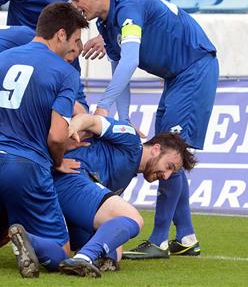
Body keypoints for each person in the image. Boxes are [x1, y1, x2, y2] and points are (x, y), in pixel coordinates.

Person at [62, 0, 218, 259]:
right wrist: (124, 120)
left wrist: (103, 107)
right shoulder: (106, 23)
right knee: (169, 150)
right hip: (178, 77)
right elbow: (119, 68)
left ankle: (160, 240)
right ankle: (185, 236)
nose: (74, 6)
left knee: (169, 153)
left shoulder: (128, 8)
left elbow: (130, 60)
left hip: (194, 69)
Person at [0, 2, 89, 278]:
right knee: (61, 251)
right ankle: (28, 240)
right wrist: (55, 160)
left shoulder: (1, 60)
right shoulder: (65, 73)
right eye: (76, 41)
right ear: (60, 34)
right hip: (26, 165)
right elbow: (57, 135)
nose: (77, 49)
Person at [55, 114, 197, 278]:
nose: (166, 176)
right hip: (70, 178)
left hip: (71, 197)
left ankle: (27, 238)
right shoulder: (130, 138)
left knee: (114, 253)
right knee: (134, 218)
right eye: (168, 166)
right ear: (156, 149)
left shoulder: (127, 174)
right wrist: (69, 131)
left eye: (171, 172)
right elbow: (90, 120)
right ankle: (83, 258)